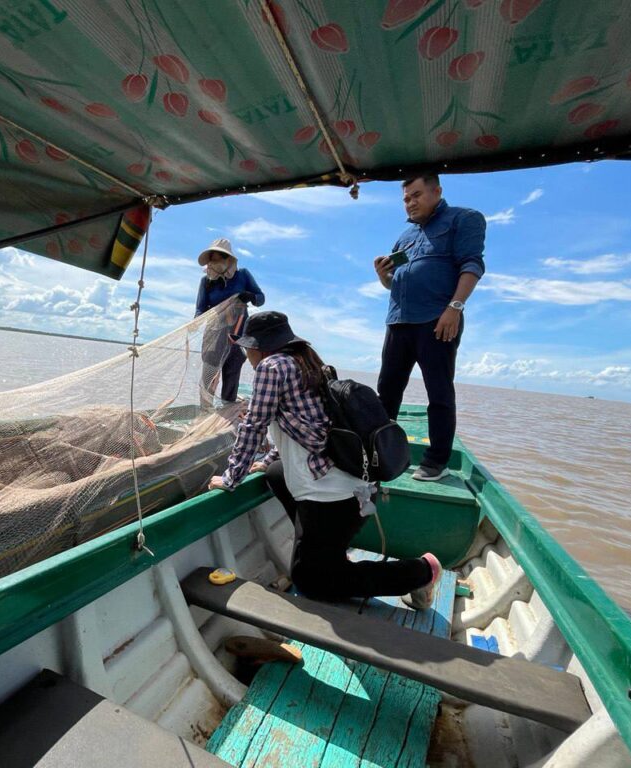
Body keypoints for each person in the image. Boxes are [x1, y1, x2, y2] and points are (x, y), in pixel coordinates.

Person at [208, 311, 442, 607]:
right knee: (275, 473)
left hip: (332, 498)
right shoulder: (309, 362)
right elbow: (303, 426)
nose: (247, 356)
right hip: (355, 489)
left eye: (247, 348)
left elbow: (254, 426)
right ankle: (329, 550)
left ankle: (422, 571)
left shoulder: (271, 366)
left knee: (311, 582)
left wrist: (231, 478)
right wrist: (267, 460)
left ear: (260, 347)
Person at [373, 173, 485, 482]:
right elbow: (395, 283)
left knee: (439, 393)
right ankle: (381, 454)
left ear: (437, 191)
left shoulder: (463, 219)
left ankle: (436, 462)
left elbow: (472, 264)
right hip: (398, 322)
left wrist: (455, 308)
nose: (410, 203)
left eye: (417, 195)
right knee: (387, 392)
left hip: (438, 320)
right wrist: (383, 277)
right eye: (406, 198)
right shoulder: (405, 236)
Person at [195, 237, 265, 405]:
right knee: (209, 375)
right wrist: (195, 323)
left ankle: (228, 410)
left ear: (228, 259)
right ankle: (205, 409)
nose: (214, 262)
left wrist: (250, 296)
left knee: (232, 372)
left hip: (237, 335)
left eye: (218, 258)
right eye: (211, 259)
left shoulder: (243, 275)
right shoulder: (206, 281)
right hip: (214, 335)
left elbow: (261, 298)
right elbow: (200, 309)